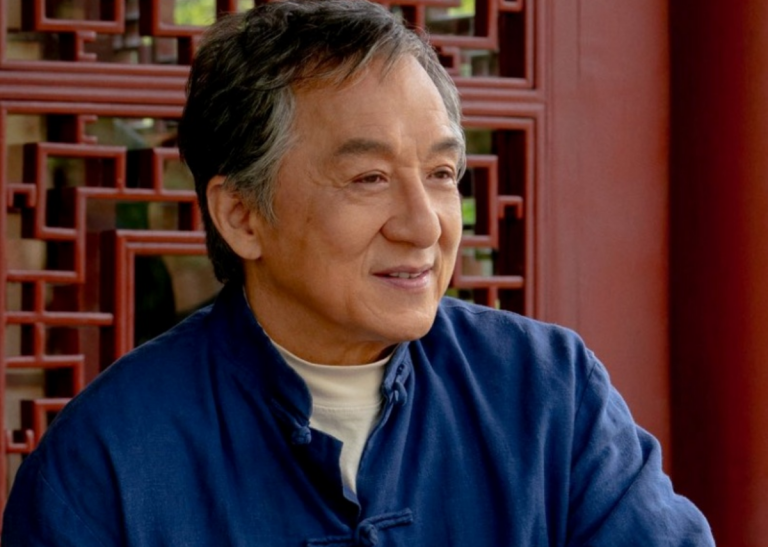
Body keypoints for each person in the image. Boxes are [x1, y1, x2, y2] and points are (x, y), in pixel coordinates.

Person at [3, 1, 714, 545]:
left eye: (442, 174)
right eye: (369, 178)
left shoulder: (547, 393)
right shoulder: (109, 463)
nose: (424, 224)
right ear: (241, 215)